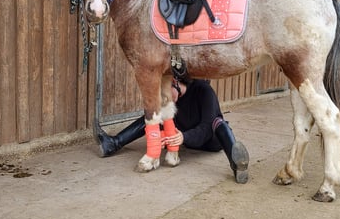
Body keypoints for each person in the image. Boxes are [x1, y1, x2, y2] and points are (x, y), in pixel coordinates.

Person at [94, 76, 250, 183]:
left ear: (174, 81)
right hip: (183, 138)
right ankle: (114, 143)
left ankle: (237, 164)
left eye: (164, 91)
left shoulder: (204, 91)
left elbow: (206, 128)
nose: (163, 96)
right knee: (154, 116)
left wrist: (184, 137)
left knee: (219, 123)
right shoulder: (172, 100)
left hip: (211, 141)